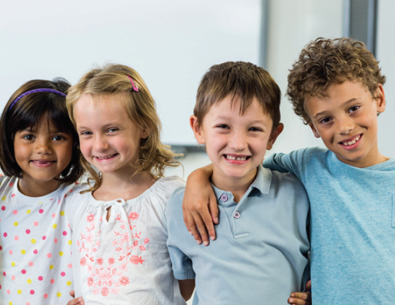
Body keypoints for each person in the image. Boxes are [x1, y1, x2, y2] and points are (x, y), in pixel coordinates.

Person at [182, 38, 395, 304]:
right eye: (326, 119)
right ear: (313, 127)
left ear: (379, 98)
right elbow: (240, 164)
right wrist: (197, 178)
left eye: (353, 108)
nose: (344, 127)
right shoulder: (307, 165)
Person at [167, 61, 311, 305]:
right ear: (198, 128)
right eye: (223, 127)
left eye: (254, 129)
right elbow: (182, 290)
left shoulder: (298, 193)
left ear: (273, 136)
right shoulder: (180, 205)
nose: (237, 143)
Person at [64, 64, 194, 305]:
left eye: (111, 130)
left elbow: (187, 286)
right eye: (86, 133)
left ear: (143, 126)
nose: (99, 145)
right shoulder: (76, 203)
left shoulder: (171, 197)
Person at [0, 78, 84, 305]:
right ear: (9, 139)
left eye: (58, 137)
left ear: (75, 143)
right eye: (28, 136)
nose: (43, 148)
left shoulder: (82, 198)